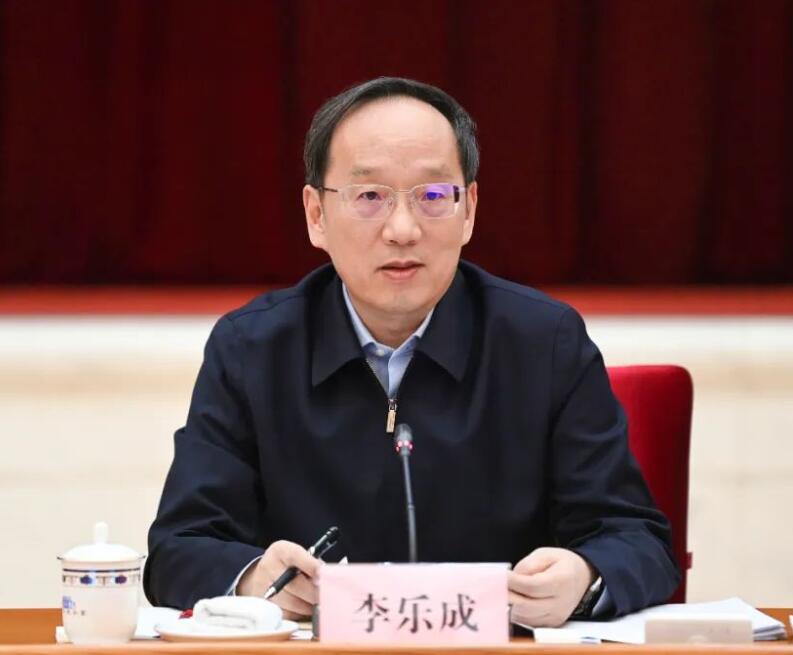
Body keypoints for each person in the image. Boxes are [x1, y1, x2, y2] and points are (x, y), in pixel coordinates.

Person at [144, 77, 680, 626]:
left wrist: (583, 577)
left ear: (469, 209)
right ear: (316, 215)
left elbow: (638, 541)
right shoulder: (252, 349)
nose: (402, 230)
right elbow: (179, 548)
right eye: (370, 197)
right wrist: (256, 579)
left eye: (432, 196)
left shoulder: (544, 343)